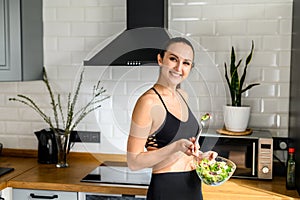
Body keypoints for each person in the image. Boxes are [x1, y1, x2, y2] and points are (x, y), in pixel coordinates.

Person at [127, 37, 216, 200]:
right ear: (160, 59)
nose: (178, 68)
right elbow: (134, 162)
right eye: (173, 59)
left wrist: (200, 156)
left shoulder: (183, 96)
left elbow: (183, 150)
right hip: (167, 189)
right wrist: (176, 147)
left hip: (193, 187)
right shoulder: (148, 102)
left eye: (186, 63)